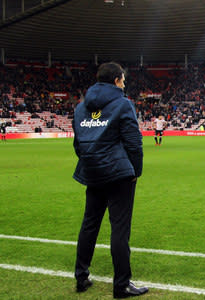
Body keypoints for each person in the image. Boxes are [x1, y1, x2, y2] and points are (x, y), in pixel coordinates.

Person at [72, 62, 149, 299]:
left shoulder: (80, 108)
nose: (124, 85)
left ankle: (81, 277)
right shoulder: (123, 104)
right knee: (119, 229)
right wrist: (135, 171)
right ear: (116, 80)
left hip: (92, 172)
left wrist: (91, 163)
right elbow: (134, 142)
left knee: (89, 225)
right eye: (123, 80)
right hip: (118, 175)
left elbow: (78, 144)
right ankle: (121, 285)